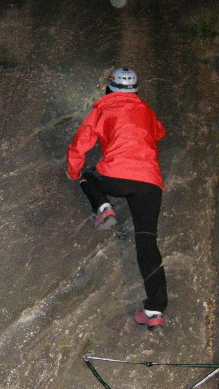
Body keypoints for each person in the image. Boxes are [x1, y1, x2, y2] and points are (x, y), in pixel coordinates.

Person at [66, 67, 168, 328]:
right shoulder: (146, 111)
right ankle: (155, 311)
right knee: (147, 243)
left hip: (116, 176)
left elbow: (80, 143)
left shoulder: (103, 109)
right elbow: (159, 132)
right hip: (149, 183)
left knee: (88, 177)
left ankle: (103, 206)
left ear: (109, 88)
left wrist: (73, 171)